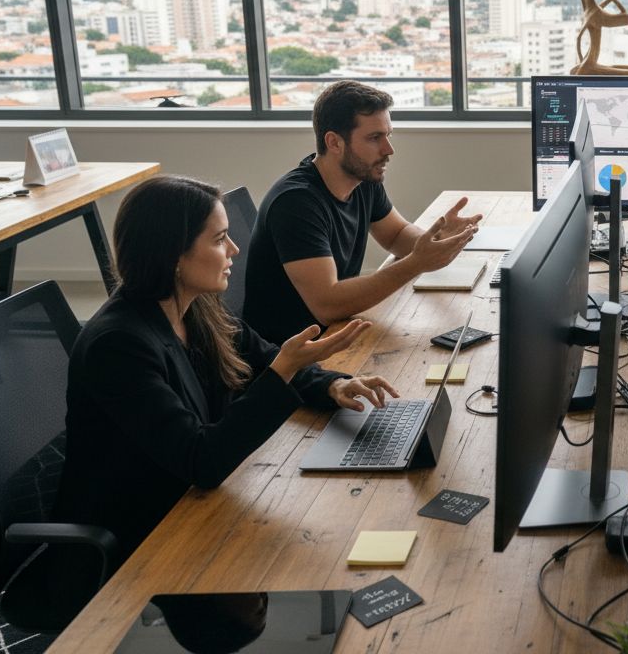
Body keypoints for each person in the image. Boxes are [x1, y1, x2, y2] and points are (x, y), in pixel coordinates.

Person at [53, 176, 398, 581]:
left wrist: (330, 384)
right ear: (173, 256)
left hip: (189, 501)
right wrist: (283, 371)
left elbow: (265, 355)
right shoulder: (118, 345)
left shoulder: (195, 305)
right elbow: (202, 460)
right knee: (309, 560)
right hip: (136, 532)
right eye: (219, 240)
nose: (234, 249)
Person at [244, 80, 481, 343]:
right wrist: (417, 263)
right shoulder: (296, 203)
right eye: (374, 138)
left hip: (334, 337)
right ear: (334, 142)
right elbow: (327, 305)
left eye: (388, 135)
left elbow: (396, 235)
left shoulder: (363, 180)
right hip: (290, 360)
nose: (389, 150)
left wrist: (436, 239)